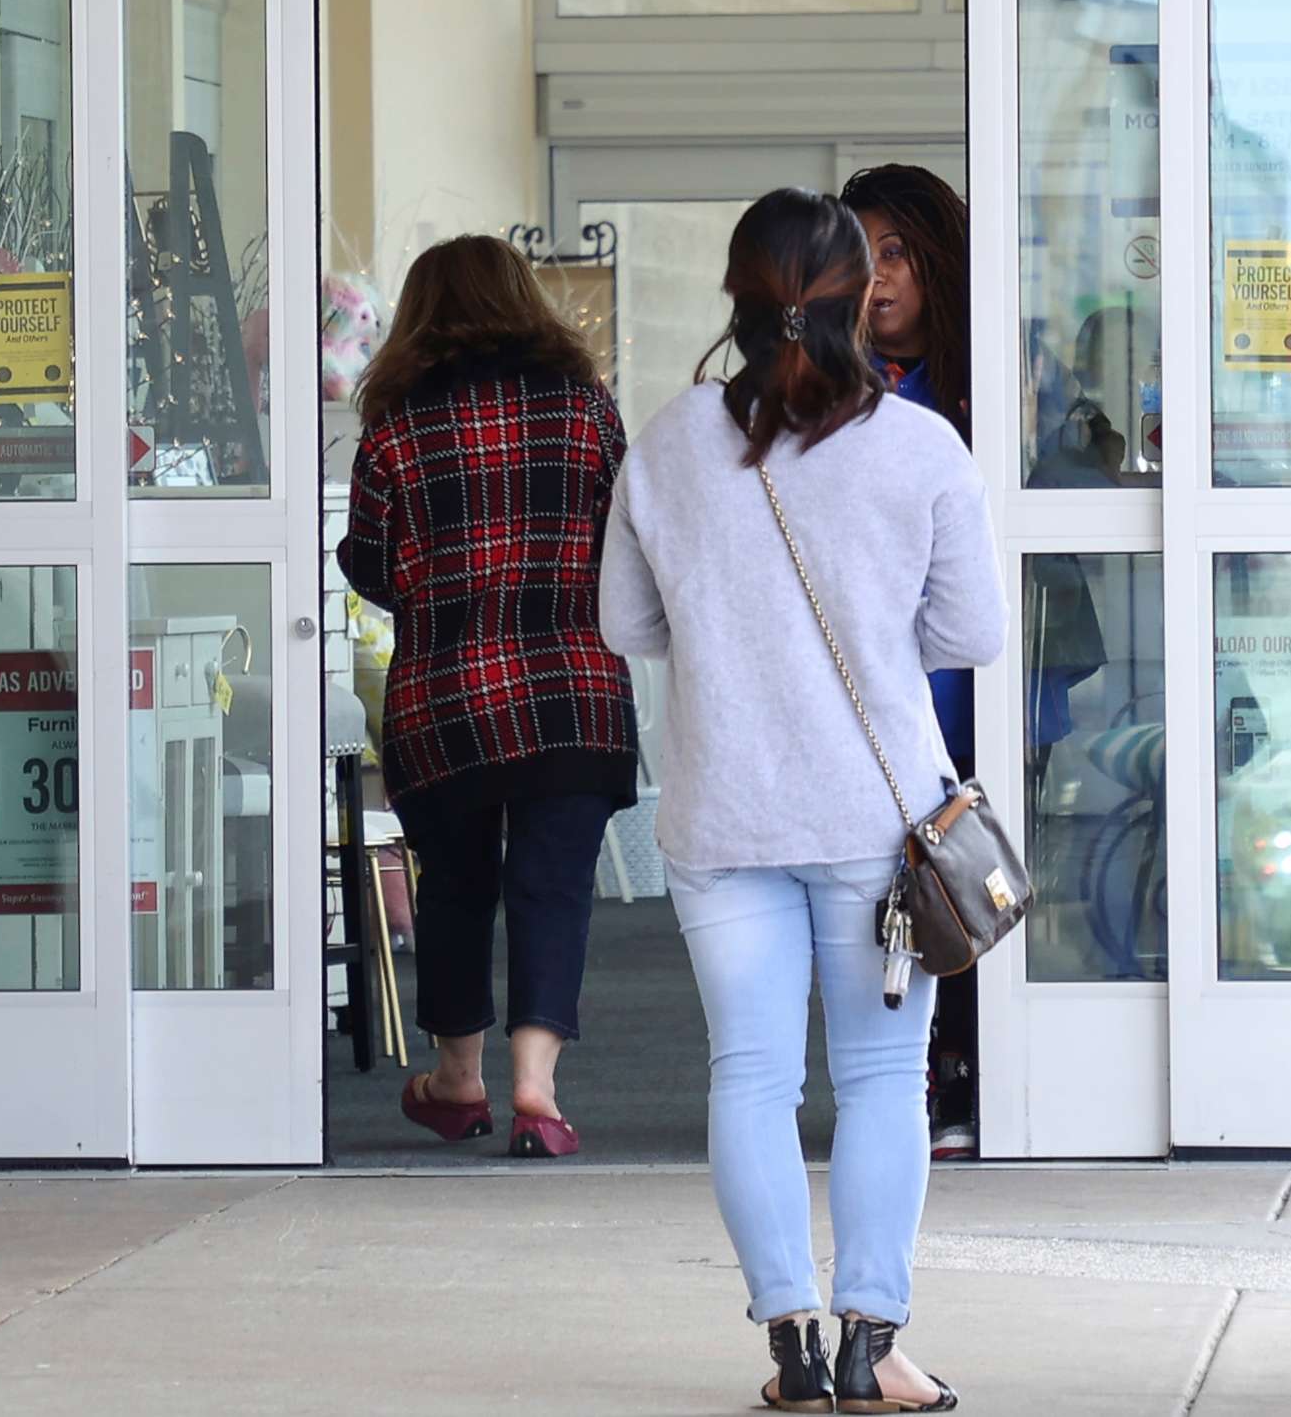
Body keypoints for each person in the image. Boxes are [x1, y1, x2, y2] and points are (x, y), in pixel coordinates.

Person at [600, 189, 1004, 1413]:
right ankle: (873, 1346)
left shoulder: (667, 441)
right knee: (886, 1081)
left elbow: (627, 623)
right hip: (880, 828)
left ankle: (787, 1342)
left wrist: (731, 637)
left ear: (737, 296)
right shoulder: (921, 446)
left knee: (752, 1073)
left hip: (723, 815)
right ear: (851, 301)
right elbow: (971, 629)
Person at [336, 234, 639, 1160]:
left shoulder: (394, 429)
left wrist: (445, 593)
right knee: (553, 888)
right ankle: (537, 1091)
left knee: (456, 890)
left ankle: (459, 1078)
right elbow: (623, 536)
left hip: (448, 696)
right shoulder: (589, 411)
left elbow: (369, 563)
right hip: (571, 689)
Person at [840, 164, 984, 1162]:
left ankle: (976, 1071)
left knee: (971, 881)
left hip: (972, 682)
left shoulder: (987, 387)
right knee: (882, 896)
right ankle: (911, 1085)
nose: (877, 278)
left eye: (896, 252)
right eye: (859, 254)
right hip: (874, 691)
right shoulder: (830, 393)